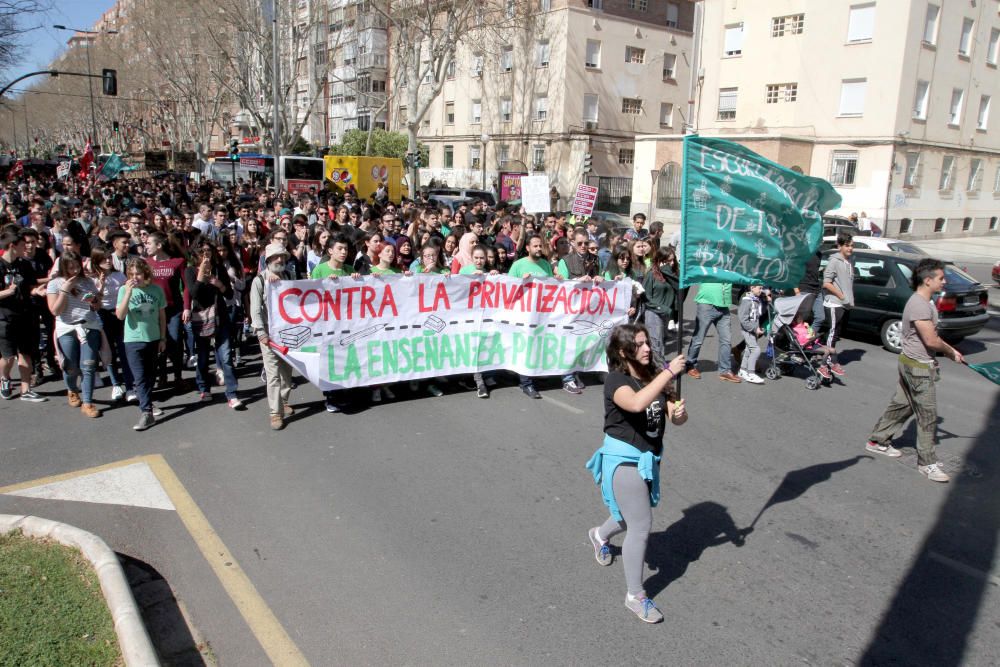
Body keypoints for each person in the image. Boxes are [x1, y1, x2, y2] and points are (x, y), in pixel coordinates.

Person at [585, 324, 687, 623]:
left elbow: (673, 416)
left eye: (647, 344)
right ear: (622, 351)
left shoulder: (654, 376)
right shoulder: (616, 380)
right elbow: (636, 403)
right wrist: (669, 372)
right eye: (639, 345)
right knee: (640, 525)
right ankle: (635, 596)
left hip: (648, 458)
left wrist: (679, 413)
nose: (646, 349)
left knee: (630, 513)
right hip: (623, 458)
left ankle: (599, 535)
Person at [866, 259, 964, 483]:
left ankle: (877, 441)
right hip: (918, 368)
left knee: (902, 404)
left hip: (911, 363)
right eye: (940, 278)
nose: (944, 281)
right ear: (927, 280)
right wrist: (950, 351)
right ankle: (926, 463)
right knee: (927, 416)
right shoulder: (919, 304)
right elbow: (930, 340)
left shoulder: (925, 302)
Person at [184, 240, 244, 409]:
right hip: (201, 318)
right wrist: (201, 275)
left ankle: (232, 394)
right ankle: (204, 389)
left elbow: (230, 294)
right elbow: (194, 293)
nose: (206, 255)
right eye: (202, 252)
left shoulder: (219, 269)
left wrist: (219, 284)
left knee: (225, 357)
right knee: (202, 357)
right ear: (196, 254)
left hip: (220, 317)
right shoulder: (190, 271)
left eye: (208, 251)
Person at [46, 250, 104, 417]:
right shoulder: (55, 283)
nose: (75, 270)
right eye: (71, 267)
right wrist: (65, 290)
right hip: (67, 327)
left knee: (88, 365)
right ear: (64, 267)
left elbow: (97, 306)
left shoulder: (88, 282)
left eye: (77, 266)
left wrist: (94, 300)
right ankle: (72, 389)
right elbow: (55, 310)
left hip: (89, 325)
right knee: (71, 366)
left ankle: (87, 402)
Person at [117, 258, 167, 431]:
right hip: (133, 340)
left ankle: (148, 405)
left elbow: (161, 316)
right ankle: (146, 412)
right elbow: (120, 315)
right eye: (131, 274)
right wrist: (129, 293)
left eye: (138, 273)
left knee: (150, 376)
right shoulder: (124, 290)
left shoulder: (156, 290)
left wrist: (162, 338)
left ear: (145, 273)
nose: (135, 277)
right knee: (139, 377)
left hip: (152, 339)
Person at [250, 243, 295, 430]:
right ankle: (275, 413)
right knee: (273, 374)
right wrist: (260, 331)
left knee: (287, 371)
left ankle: (283, 401)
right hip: (268, 334)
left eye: (282, 256)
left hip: (287, 333)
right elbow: (255, 309)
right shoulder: (259, 281)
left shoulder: (289, 277)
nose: (280, 260)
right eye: (276, 257)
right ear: (268, 260)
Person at [508, 234, 558, 399]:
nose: (538, 249)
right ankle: (526, 383)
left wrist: (557, 281)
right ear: (527, 248)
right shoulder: (518, 265)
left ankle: (533, 375)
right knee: (527, 347)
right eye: (535, 246)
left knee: (538, 345)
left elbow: (552, 288)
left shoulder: (545, 265)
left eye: (540, 246)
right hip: (524, 315)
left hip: (542, 314)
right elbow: (506, 289)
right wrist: (520, 282)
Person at [0, 231, 47, 402]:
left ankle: (25, 389)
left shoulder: (24, 265)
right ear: (12, 246)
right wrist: (8, 291)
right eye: (22, 244)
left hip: (25, 315)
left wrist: (37, 291)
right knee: (8, 357)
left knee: (26, 353)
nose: (26, 247)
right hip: (4, 317)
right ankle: (5, 379)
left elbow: (30, 286)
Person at [685, 281, 741, 383]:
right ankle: (690, 364)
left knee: (726, 340)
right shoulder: (710, 265)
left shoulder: (730, 267)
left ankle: (725, 370)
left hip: (723, 307)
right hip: (706, 304)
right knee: (698, 338)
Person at [640, 247, 680, 369]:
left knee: (662, 342)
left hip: (666, 314)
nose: (671, 263)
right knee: (655, 342)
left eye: (673, 260)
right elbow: (646, 297)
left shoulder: (671, 275)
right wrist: (661, 308)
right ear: (660, 260)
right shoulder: (652, 274)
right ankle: (660, 369)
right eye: (668, 261)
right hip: (653, 312)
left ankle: (658, 365)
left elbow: (678, 291)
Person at [821, 232, 854, 377]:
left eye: (852, 246)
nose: (850, 248)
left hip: (843, 304)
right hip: (834, 303)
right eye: (847, 246)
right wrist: (841, 296)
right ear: (839, 246)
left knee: (835, 335)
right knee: (832, 333)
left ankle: (831, 360)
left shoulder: (847, 262)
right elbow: (826, 283)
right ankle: (827, 362)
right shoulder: (834, 261)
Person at [737, 282, 766, 384]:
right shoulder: (747, 301)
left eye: (762, 288)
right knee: (756, 350)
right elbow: (743, 319)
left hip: (753, 330)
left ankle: (743, 370)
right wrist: (754, 328)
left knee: (749, 350)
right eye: (759, 288)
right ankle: (751, 373)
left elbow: (756, 316)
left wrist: (758, 328)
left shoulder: (756, 300)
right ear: (752, 288)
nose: (761, 290)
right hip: (748, 330)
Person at [791, 313, 834, 380]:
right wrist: (810, 337)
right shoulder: (795, 329)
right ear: (795, 320)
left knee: (832, 350)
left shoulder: (804, 326)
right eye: (799, 319)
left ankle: (833, 365)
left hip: (813, 343)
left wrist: (809, 328)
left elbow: (812, 333)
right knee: (826, 351)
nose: (801, 319)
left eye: (801, 318)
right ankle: (822, 367)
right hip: (807, 346)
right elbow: (802, 340)